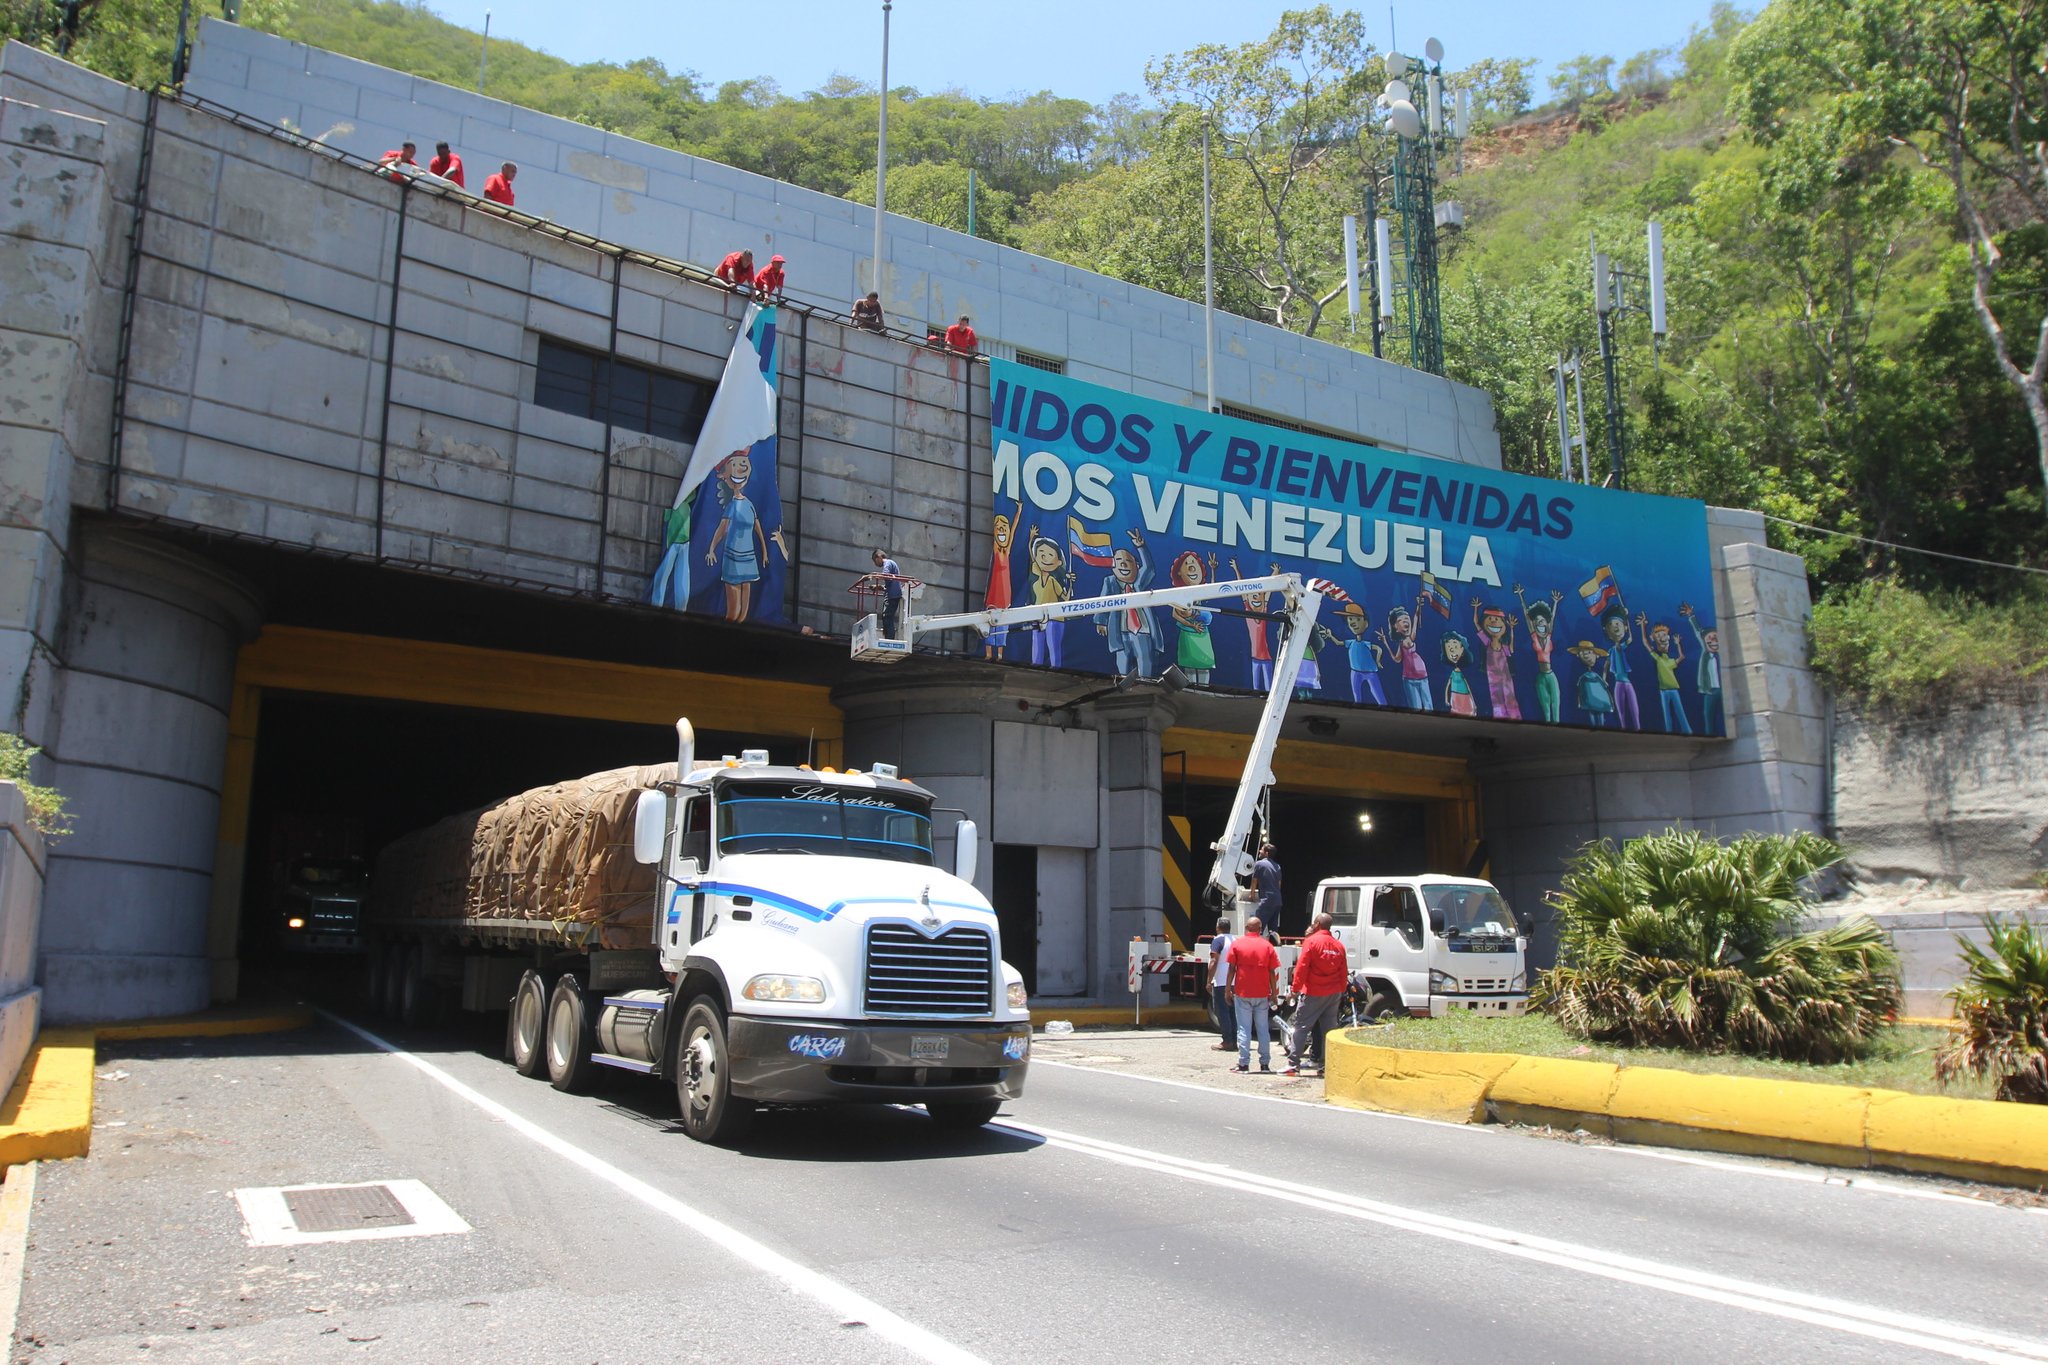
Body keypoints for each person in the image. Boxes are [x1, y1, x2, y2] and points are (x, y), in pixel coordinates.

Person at [1284, 912, 1349, 1076]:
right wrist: (1341, 990)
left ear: (1318, 925)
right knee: (1329, 1031)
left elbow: (1302, 967)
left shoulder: (1311, 942)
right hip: (1333, 993)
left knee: (1301, 1027)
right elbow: (1344, 971)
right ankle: (1327, 1066)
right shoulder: (1339, 946)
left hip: (1313, 992)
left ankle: (1293, 1065)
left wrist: (1295, 990)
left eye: (1314, 923)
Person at [1223, 917, 1282, 1073]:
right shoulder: (1267, 946)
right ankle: (1264, 1064)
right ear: (1260, 928)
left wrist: (1227, 989)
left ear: (1246, 927)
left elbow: (1231, 970)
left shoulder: (1238, 944)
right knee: (1263, 1029)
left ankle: (1244, 1064)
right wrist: (1274, 994)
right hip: (1262, 994)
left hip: (1242, 993)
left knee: (1244, 1029)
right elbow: (1272, 972)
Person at [1207, 916, 1236, 1052]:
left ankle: (1227, 1041)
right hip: (1235, 981)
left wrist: (1209, 980)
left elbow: (1214, 961)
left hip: (1221, 981)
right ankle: (1234, 1040)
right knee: (1232, 1012)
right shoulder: (1236, 940)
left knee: (1222, 1011)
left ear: (1218, 927)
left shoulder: (1217, 940)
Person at [1250, 843, 1282, 937]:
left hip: (1266, 900)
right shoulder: (1277, 866)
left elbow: (1254, 881)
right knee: (1273, 930)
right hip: (1277, 901)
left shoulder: (1259, 864)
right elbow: (1279, 884)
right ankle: (1275, 947)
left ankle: (1255, 948)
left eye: (1261, 850)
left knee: (1257, 926)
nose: (1260, 851)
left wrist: (1252, 895)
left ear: (1266, 853)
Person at [872, 548, 903, 639]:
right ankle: (888, 637)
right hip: (892, 594)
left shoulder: (888, 563)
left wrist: (873, 576)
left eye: (875, 561)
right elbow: (889, 581)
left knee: (887, 617)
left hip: (892, 595)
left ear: (879, 557)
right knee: (886, 617)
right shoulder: (890, 564)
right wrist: (879, 587)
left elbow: (885, 575)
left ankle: (889, 639)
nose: (875, 564)